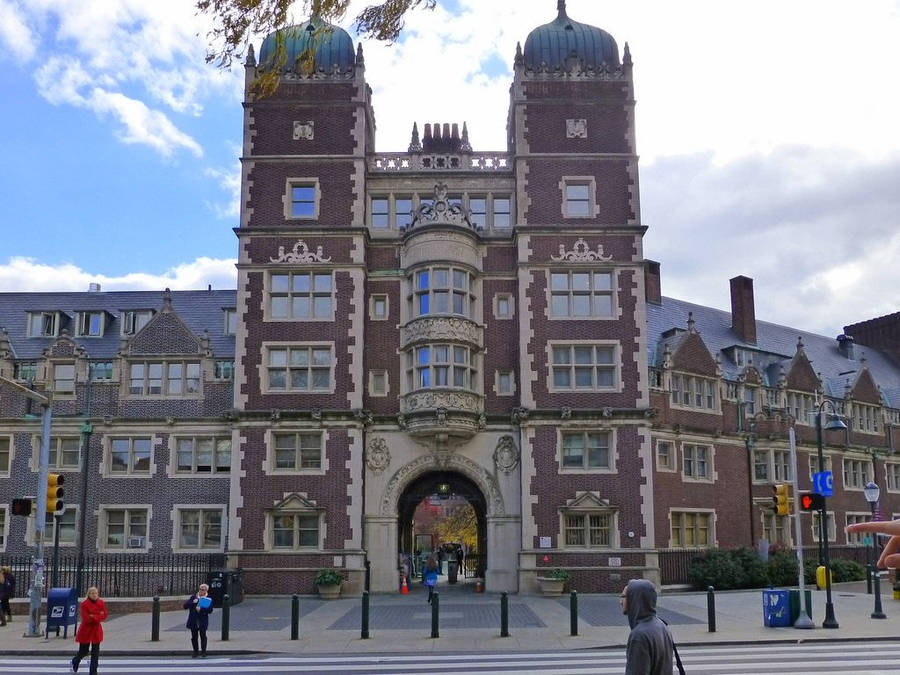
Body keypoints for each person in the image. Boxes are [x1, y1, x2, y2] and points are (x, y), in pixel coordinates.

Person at [620, 579, 675, 675]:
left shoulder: (639, 635)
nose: (620, 601)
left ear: (635, 598)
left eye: (624, 596)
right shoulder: (662, 626)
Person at [71, 586, 107, 674]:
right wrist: (98, 615)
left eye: (96, 593)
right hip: (86, 630)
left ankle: (93, 672)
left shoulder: (101, 603)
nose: (94, 595)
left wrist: (93, 616)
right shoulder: (85, 604)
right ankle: (76, 660)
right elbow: (86, 619)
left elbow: (104, 615)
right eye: (92, 593)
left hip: (96, 630)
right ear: (89, 594)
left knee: (95, 653)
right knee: (83, 651)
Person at [184, 583, 214, 658]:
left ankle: (203, 652)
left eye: (203, 589)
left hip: (202, 620)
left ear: (206, 590)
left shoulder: (208, 598)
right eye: (200, 589)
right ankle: (195, 651)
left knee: (203, 635)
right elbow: (185, 606)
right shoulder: (194, 597)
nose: (201, 591)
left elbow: (210, 610)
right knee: (194, 636)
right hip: (193, 619)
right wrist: (192, 602)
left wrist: (201, 609)